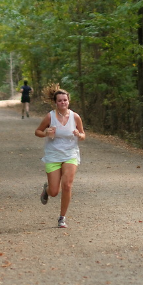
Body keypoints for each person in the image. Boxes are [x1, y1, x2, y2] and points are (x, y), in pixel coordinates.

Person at [34, 87, 86, 228]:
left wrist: (78, 134)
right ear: (55, 103)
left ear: (68, 101)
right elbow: (37, 131)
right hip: (53, 155)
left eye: (65, 100)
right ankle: (47, 190)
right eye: (60, 101)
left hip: (70, 154)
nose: (63, 102)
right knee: (54, 191)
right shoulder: (50, 117)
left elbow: (83, 135)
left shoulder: (75, 117)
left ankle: (62, 218)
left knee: (67, 185)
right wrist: (46, 133)